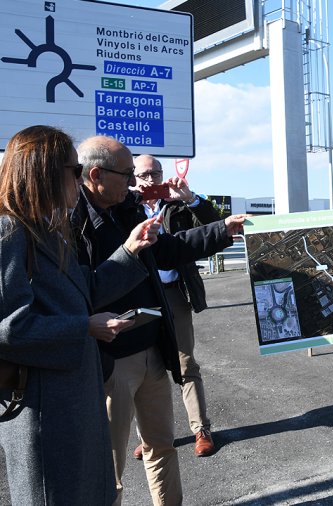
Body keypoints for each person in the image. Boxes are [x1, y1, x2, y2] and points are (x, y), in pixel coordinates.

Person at [72, 135, 246, 506]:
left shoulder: (129, 208)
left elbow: (169, 250)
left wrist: (222, 229)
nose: (137, 182)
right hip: (109, 361)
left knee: (161, 447)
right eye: (128, 174)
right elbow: (77, 291)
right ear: (96, 174)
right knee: (109, 465)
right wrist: (129, 251)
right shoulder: (71, 221)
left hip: (152, 347)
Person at [0, 125, 161, 505]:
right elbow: (9, 328)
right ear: (44, 172)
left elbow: (83, 291)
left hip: (73, 399)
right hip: (45, 411)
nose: (80, 178)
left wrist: (129, 250)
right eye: (74, 170)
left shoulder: (48, 229)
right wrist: (84, 327)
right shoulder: (10, 231)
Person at [130, 154, 222, 459]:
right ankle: (150, 437)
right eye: (143, 175)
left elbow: (215, 228)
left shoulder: (177, 204)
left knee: (185, 362)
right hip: (138, 293)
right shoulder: (124, 207)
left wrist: (191, 199)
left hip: (173, 291)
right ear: (133, 178)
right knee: (143, 365)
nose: (150, 180)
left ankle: (201, 430)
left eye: (155, 174)